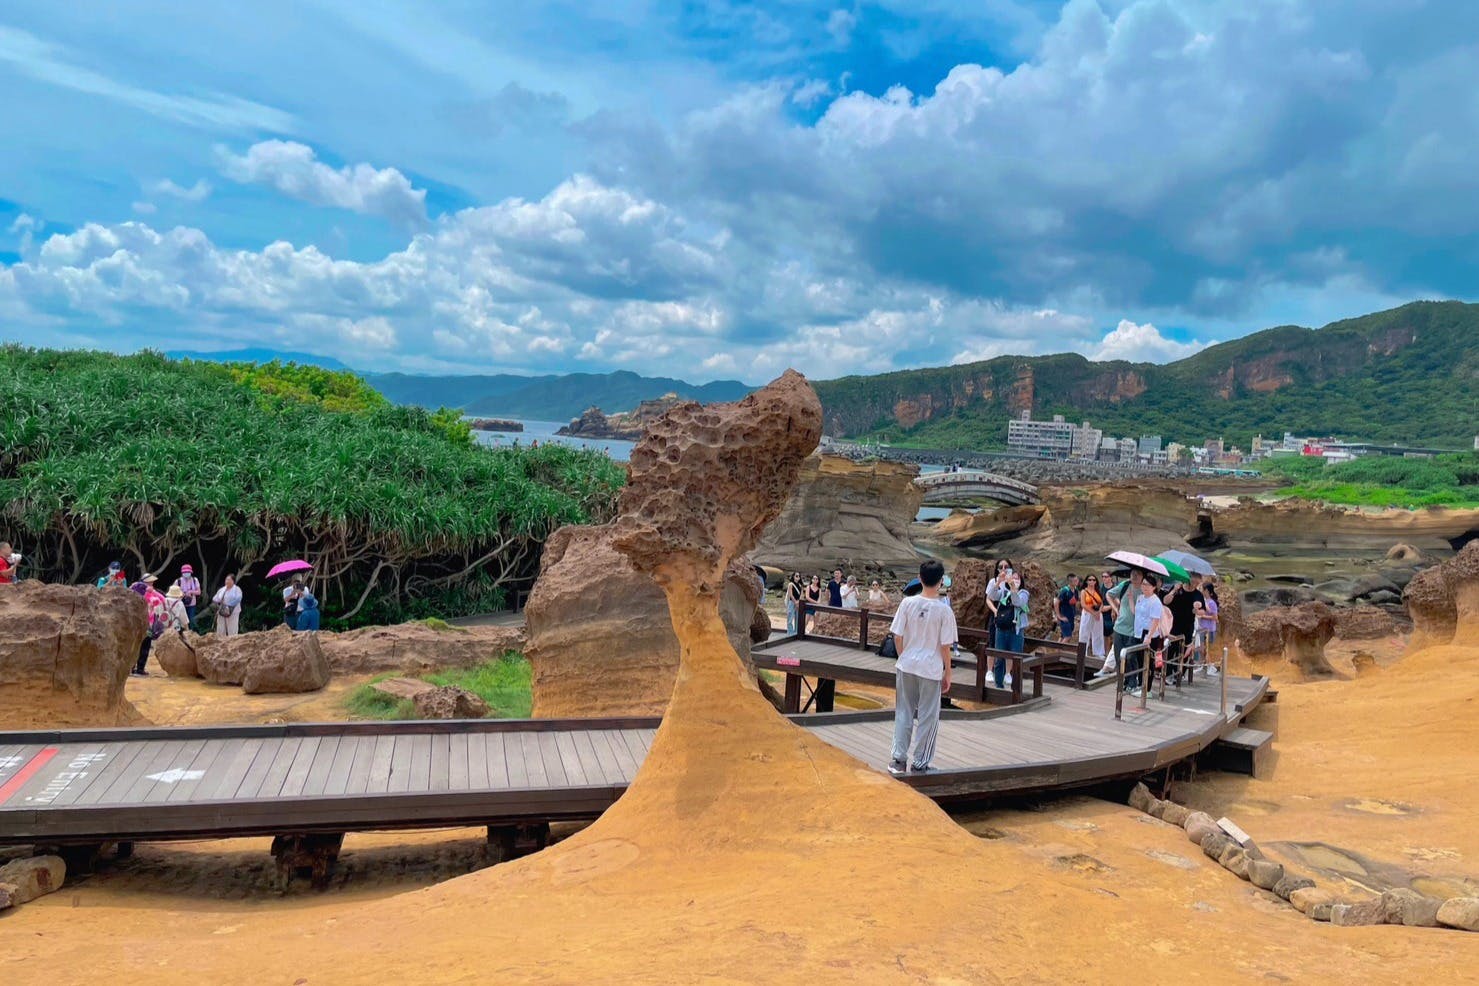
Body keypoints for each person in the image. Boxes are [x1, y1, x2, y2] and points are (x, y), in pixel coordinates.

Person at [887, 560, 957, 776]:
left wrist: (904, 655)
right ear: (941, 581)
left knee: (904, 711)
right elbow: (945, 646)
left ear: (919, 577)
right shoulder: (944, 611)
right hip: (930, 667)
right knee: (928, 715)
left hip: (907, 664)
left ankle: (898, 760)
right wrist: (948, 672)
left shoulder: (907, 604)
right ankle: (920, 762)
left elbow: (897, 635)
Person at [986, 567, 1028, 689]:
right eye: (1012, 577)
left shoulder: (1024, 593)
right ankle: (999, 685)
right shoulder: (1004, 592)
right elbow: (992, 596)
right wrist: (999, 582)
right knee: (999, 658)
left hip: (1016, 630)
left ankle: (1016, 687)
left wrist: (1013, 588)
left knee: (1016, 658)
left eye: (1017, 578)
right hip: (1001, 628)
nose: (1014, 580)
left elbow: (1017, 602)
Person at [1162, 574, 1205, 684]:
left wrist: (1197, 611)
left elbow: (1203, 611)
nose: (1195, 580)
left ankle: (1179, 673)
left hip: (1188, 627)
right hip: (1173, 625)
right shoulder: (1177, 589)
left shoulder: (1198, 595)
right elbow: (1165, 601)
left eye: (1198, 578)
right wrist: (1173, 590)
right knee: (1170, 650)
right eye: (1193, 577)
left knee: (1185, 652)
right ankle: (1168, 674)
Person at [1105, 568, 1144, 682]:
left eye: (1138, 574)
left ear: (1142, 576)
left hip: (1134, 630)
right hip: (1119, 627)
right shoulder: (1125, 584)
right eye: (1133, 573)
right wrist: (1116, 609)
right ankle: (1122, 682)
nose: (1135, 576)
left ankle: (1132, 682)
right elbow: (1109, 594)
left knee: (1131, 657)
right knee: (1118, 657)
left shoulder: (1144, 589)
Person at [1130, 574, 1166, 692]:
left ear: (1154, 587)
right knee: (1139, 660)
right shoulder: (1140, 597)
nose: (1144, 587)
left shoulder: (1155, 601)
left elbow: (1155, 620)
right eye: (1143, 584)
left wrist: (1149, 636)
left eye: (1147, 585)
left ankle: (1147, 689)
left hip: (1149, 633)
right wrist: (1130, 599)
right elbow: (1135, 612)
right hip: (1138, 631)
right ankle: (1141, 684)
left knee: (1148, 662)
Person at [131, 577, 168, 676]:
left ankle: (132, 668)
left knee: (135, 646)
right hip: (146, 626)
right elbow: (163, 600)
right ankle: (140, 669)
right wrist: (154, 592)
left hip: (136, 627)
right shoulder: (150, 596)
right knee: (144, 646)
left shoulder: (133, 595)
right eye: (149, 583)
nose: (151, 585)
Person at [1077, 574, 1106, 661]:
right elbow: (1083, 604)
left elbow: (1102, 603)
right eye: (1090, 580)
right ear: (1086, 581)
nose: (1092, 581)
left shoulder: (1098, 591)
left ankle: (1099, 652)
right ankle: (1083, 652)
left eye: (1093, 580)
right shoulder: (1083, 591)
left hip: (1098, 613)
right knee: (1084, 633)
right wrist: (1093, 613)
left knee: (1098, 633)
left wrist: (1098, 612)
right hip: (1088, 613)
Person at [1194, 578, 1221, 672]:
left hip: (1209, 629)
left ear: (1207, 591)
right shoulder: (1203, 602)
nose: (1202, 591)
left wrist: (1203, 616)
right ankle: (1203, 665)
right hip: (1202, 628)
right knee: (1202, 649)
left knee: (1206, 649)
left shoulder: (1212, 603)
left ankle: (1208, 666)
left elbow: (1215, 617)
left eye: (1203, 590)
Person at [984, 558, 1016, 625]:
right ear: (997, 569)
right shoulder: (993, 581)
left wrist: (1012, 584)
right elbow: (988, 598)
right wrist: (995, 611)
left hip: (1011, 614)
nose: (1003, 569)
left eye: (1006, 567)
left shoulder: (1015, 581)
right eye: (1001, 567)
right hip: (996, 612)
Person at [1055, 574, 1080, 642]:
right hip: (1064, 616)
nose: (1077, 581)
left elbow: (1076, 602)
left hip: (1071, 616)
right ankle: (1061, 649)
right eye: (1075, 580)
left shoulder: (1076, 590)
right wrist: (1059, 616)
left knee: (1063, 635)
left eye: (1077, 580)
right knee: (1068, 636)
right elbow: (1056, 602)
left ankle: (1057, 649)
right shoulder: (1064, 590)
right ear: (1070, 582)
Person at [176, 564, 202, 628]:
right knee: (181, 620)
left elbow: (199, 592)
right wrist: (182, 594)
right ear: (182, 573)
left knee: (191, 620)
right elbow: (174, 592)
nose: (186, 573)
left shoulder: (194, 580)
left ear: (191, 572)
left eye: (188, 572)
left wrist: (191, 592)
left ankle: (191, 633)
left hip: (192, 604)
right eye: (185, 572)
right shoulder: (178, 581)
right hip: (181, 604)